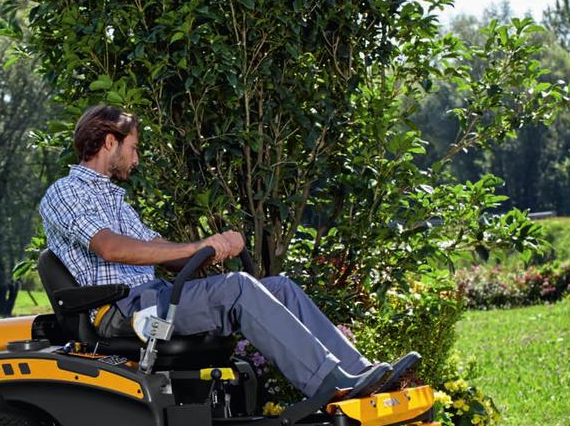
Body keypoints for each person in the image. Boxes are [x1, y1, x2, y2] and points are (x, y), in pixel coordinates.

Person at [39, 105, 418, 407]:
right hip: (126, 316)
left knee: (278, 288)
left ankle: (360, 375)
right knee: (238, 287)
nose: (136, 159)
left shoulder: (113, 199)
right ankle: (328, 386)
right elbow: (110, 247)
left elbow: (164, 253)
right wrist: (196, 249)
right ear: (110, 142)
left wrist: (211, 249)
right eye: (133, 148)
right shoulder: (66, 193)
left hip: (156, 301)